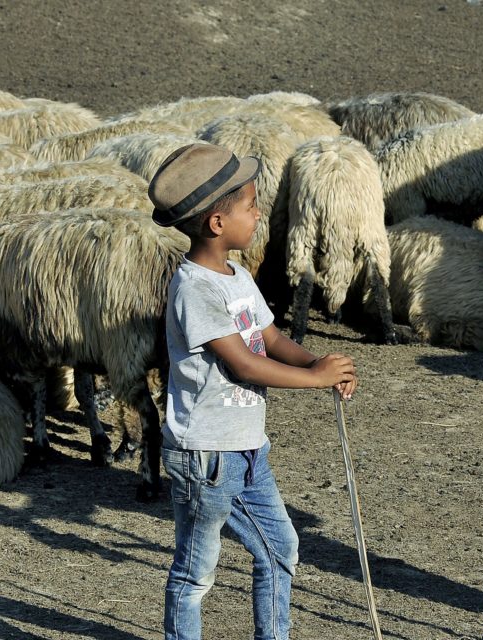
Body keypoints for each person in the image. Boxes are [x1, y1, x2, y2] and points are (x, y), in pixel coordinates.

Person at [149, 143, 358, 640]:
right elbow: (243, 364)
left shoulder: (238, 276)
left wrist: (316, 362)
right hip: (205, 456)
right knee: (196, 569)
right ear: (217, 224)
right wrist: (314, 380)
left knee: (279, 546)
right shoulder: (194, 288)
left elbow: (268, 337)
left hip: (246, 451)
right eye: (250, 206)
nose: (258, 213)